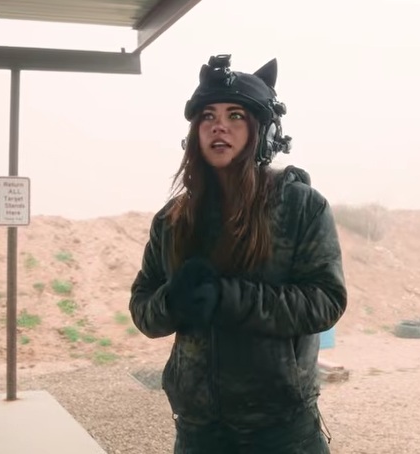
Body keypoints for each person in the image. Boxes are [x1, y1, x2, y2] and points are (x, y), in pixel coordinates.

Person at [129, 54, 347, 454]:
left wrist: (229, 298)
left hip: (282, 432)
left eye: (235, 116)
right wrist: (173, 301)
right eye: (208, 116)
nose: (219, 126)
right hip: (198, 431)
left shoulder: (301, 207)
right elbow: (143, 309)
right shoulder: (172, 220)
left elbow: (326, 301)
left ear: (262, 131)